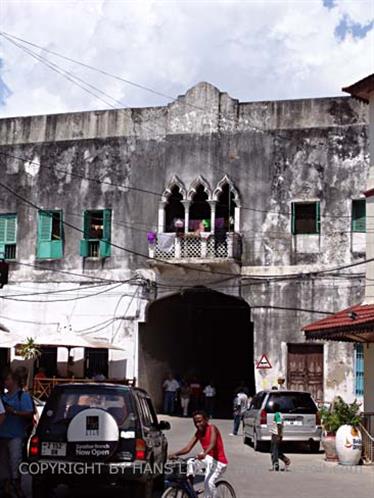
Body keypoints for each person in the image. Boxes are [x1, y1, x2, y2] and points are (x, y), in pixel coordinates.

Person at [169, 411, 228, 498]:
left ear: (206, 420)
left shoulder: (212, 428)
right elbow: (188, 448)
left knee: (209, 482)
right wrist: (175, 454)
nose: (198, 424)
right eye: (195, 422)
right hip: (207, 457)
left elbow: (212, 443)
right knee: (190, 463)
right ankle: (190, 491)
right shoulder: (198, 433)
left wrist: (205, 453)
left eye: (200, 421)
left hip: (219, 461)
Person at [0, 370, 34, 497]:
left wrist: (13, 411)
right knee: (3, 463)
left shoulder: (22, 396)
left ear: (14, 381)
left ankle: (16, 485)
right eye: (4, 380)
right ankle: (6, 486)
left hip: (16, 434)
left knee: (15, 461)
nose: (5, 382)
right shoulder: (3, 397)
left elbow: (29, 413)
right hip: (2, 434)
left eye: (8, 379)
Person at [270, 402, 290, 471]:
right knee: (276, 451)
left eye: (273, 407)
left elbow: (279, 425)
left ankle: (276, 464)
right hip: (277, 434)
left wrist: (278, 435)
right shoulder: (280, 414)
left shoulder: (277, 414)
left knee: (274, 451)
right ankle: (285, 460)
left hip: (276, 435)